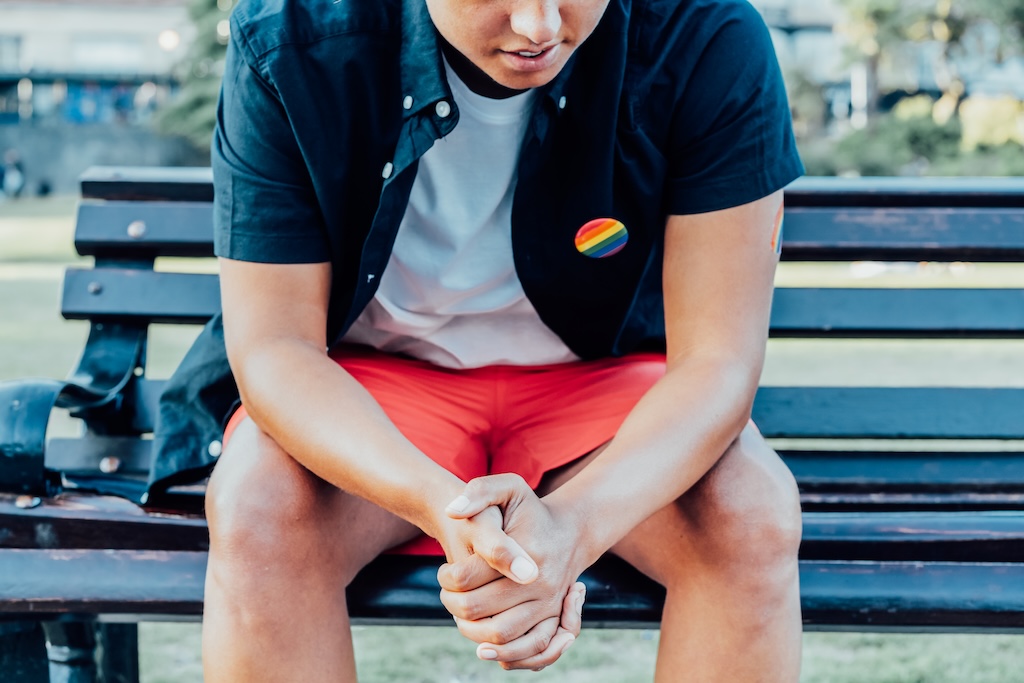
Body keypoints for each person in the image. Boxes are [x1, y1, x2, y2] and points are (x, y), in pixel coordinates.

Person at [153, 0, 805, 679]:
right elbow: (275, 350)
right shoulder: (290, 35)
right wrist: (437, 502)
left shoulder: (705, 31)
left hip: (602, 378)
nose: (539, 27)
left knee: (746, 512)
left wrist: (573, 526)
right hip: (374, 378)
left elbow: (717, 361)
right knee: (258, 505)